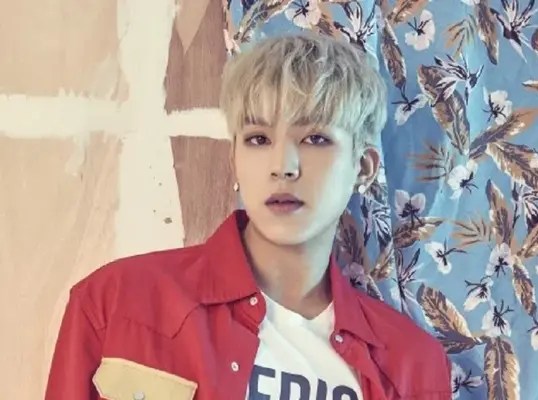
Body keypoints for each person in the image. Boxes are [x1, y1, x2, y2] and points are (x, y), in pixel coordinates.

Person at [45, 33, 451, 400]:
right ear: (234, 160)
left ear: (362, 167)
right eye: (258, 139)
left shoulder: (413, 366)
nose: (283, 166)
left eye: (315, 139)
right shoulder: (116, 302)